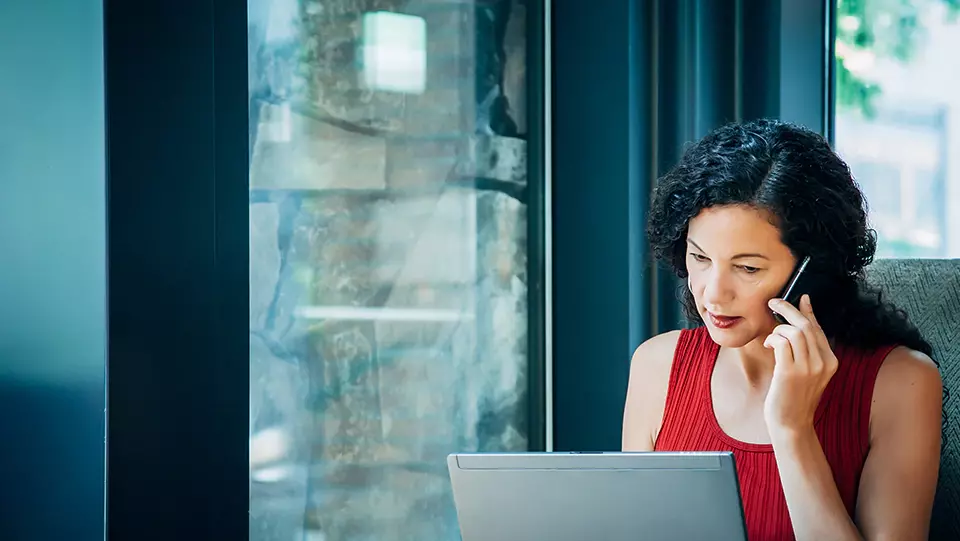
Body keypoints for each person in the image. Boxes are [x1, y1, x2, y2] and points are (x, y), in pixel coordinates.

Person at [622, 119, 943, 541]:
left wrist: (792, 430)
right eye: (700, 258)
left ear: (811, 271)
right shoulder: (656, 366)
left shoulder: (903, 383)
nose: (713, 294)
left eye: (747, 268)